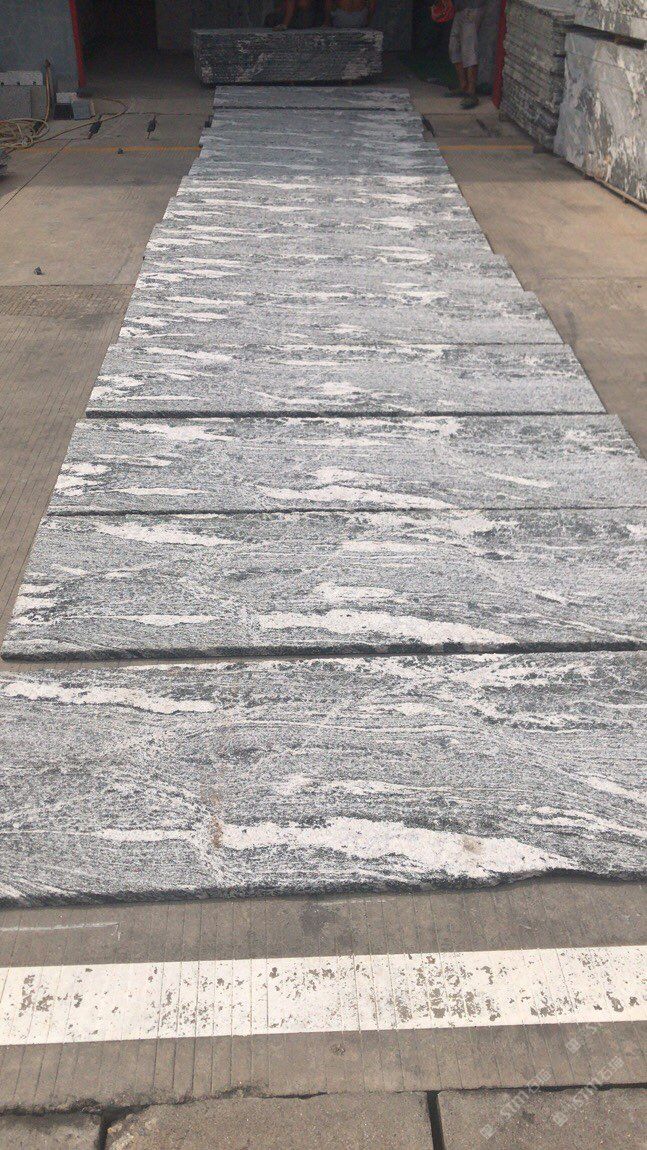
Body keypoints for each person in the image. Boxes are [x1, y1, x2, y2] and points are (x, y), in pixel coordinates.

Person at [445, 0, 486, 109]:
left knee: (469, 50)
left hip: (472, 9)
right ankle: (463, 86)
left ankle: (471, 93)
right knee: (454, 47)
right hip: (460, 9)